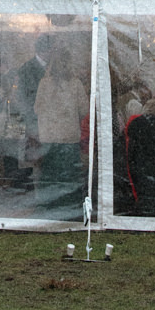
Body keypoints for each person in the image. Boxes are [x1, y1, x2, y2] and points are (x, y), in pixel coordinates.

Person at [34, 44, 88, 215]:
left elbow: (36, 108)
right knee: (69, 176)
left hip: (48, 137)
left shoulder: (44, 83)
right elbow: (84, 109)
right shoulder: (76, 84)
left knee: (50, 175)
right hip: (68, 138)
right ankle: (68, 207)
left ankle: (49, 207)